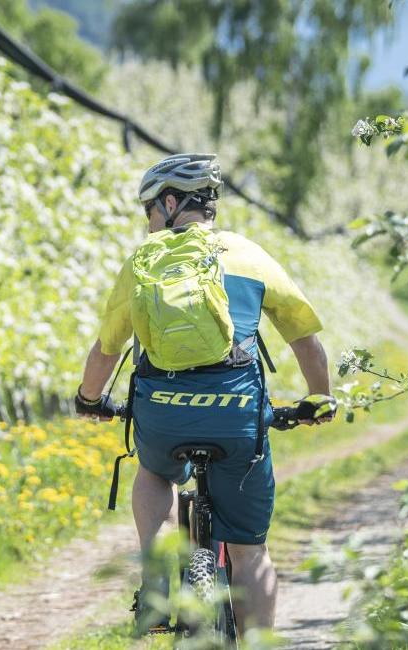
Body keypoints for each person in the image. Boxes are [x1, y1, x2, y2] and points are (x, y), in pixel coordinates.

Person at [74, 153, 338, 636]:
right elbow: (306, 341)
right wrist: (318, 398)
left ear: (171, 202)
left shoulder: (144, 261)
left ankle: (157, 576)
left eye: (150, 209)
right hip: (237, 414)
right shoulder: (250, 255)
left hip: (163, 414)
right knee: (250, 551)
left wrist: (89, 399)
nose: (149, 220)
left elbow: (106, 349)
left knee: (155, 471)